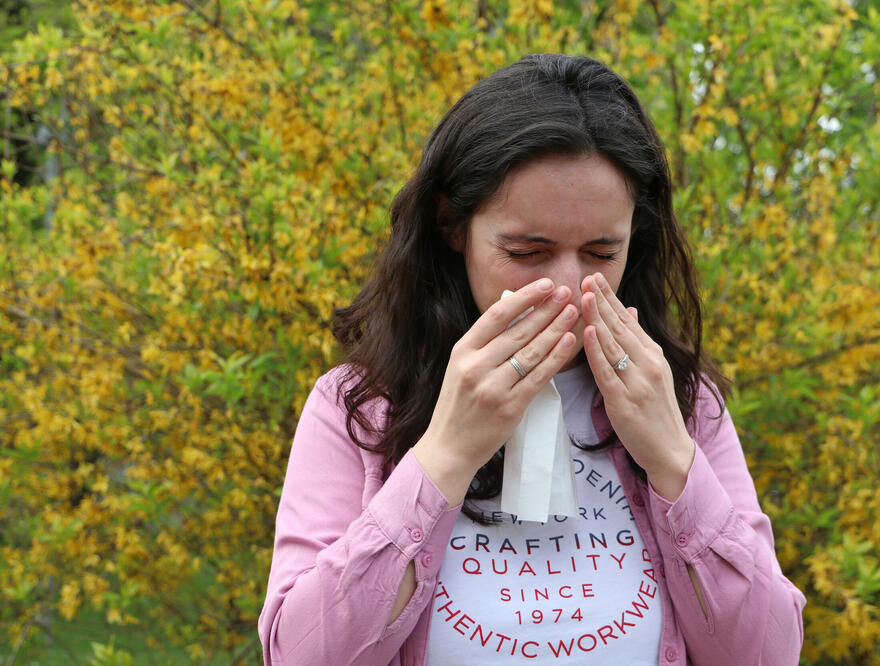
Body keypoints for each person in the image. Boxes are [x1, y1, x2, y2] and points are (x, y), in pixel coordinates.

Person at [258, 53, 806, 665]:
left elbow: (768, 655)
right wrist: (445, 455)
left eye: (601, 253)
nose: (568, 287)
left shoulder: (684, 402)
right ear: (452, 226)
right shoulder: (360, 406)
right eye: (526, 252)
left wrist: (674, 460)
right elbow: (300, 655)